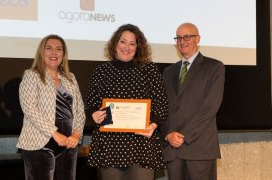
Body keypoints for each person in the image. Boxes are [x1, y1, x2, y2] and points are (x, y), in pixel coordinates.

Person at [85, 24, 168, 180]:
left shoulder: (149, 70)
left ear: (138, 47)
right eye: (123, 42)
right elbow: (90, 105)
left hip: (141, 145)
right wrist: (94, 115)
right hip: (109, 146)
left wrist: (153, 125)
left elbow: (161, 103)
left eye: (132, 43)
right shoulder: (101, 71)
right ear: (115, 43)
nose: (127, 47)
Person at [16, 34, 86, 180]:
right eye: (49, 48)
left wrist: (76, 135)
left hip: (68, 143)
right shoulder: (31, 75)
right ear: (42, 52)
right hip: (39, 144)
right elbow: (29, 109)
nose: (54, 53)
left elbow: (80, 110)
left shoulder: (70, 77)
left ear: (63, 54)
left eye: (58, 49)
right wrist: (55, 134)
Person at [161, 22, 225, 180]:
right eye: (179, 38)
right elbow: (162, 107)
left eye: (187, 36)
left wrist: (184, 136)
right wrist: (168, 134)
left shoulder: (214, 67)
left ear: (198, 39)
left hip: (199, 147)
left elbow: (210, 107)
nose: (182, 41)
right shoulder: (169, 72)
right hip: (173, 149)